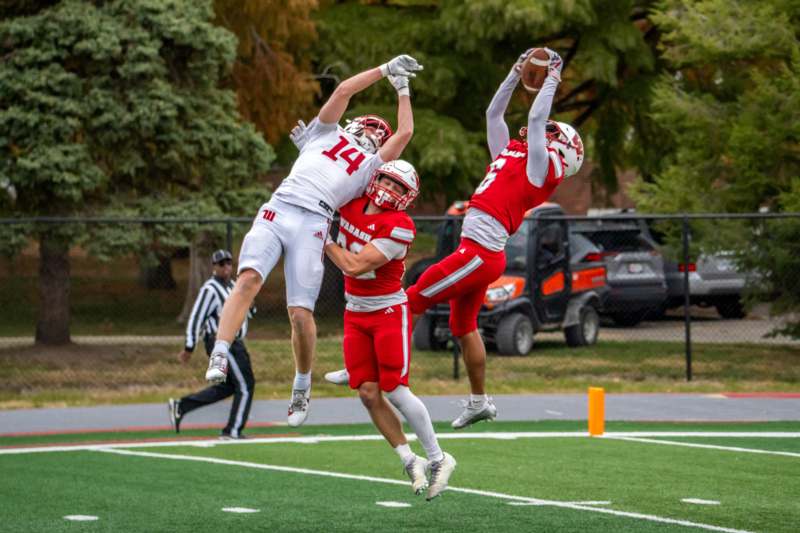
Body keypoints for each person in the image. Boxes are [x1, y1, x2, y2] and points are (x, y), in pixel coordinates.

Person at [328, 49, 584, 430]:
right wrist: (514, 75)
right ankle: (480, 401)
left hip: (479, 252)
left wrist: (553, 78)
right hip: (482, 252)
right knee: (464, 327)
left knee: (410, 297)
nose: (544, 134)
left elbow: (534, 118)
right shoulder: (515, 158)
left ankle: (369, 371)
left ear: (562, 148)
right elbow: (493, 115)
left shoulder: (541, 168)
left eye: (551, 134)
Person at [203, 54, 423, 428]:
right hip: (279, 206)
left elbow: (404, 134)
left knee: (300, 315)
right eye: (369, 128)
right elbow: (343, 89)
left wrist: (402, 88)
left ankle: (302, 383)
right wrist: (384, 69)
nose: (373, 135)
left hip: (315, 221)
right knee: (249, 279)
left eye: (377, 135)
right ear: (354, 125)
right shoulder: (325, 133)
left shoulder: (371, 168)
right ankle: (220, 352)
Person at [324, 160, 456, 500]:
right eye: (387, 181)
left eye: (399, 188)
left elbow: (353, 264)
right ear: (375, 177)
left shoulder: (399, 225)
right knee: (368, 394)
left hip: (386, 311)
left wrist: (322, 240)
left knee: (395, 389)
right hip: (354, 312)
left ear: (406, 197)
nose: (390, 190)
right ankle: (409, 459)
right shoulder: (350, 203)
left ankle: (440, 458)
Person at [169, 250, 255, 439]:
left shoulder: (235, 286)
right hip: (221, 342)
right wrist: (189, 346)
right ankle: (232, 431)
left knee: (229, 387)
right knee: (245, 385)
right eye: (221, 264)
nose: (226, 267)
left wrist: (250, 303)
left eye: (228, 263)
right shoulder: (210, 289)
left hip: (237, 343)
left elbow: (247, 312)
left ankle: (182, 406)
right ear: (214, 267)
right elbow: (196, 317)